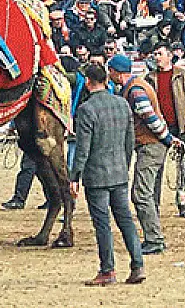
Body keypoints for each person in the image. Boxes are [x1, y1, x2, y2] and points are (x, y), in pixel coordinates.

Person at [69, 62, 144, 287]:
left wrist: (74, 177)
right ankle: (138, 264)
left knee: (102, 224)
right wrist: (125, 164)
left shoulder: (86, 109)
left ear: (89, 82)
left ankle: (107, 270)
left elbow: (83, 148)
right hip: (119, 172)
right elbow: (129, 141)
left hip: (97, 175)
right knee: (126, 221)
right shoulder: (122, 104)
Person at [107, 53, 182, 255]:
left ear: (116, 72)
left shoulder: (135, 91)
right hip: (151, 144)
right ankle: (153, 237)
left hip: (150, 145)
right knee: (146, 193)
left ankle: (154, 239)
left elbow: (149, 117)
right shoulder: (136, 86)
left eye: (110, 71)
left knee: (141, 194)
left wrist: (167, 138)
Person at [143, 44, 185, 217]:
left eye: (160, 54)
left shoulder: (183, 76)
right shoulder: (149, 78)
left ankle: (183, 204)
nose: (156, 57)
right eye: (155, 54)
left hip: (181, 126)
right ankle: (153, 205)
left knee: (182, 168)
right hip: (158, 128)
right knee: (155, 167)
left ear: (169, 56)